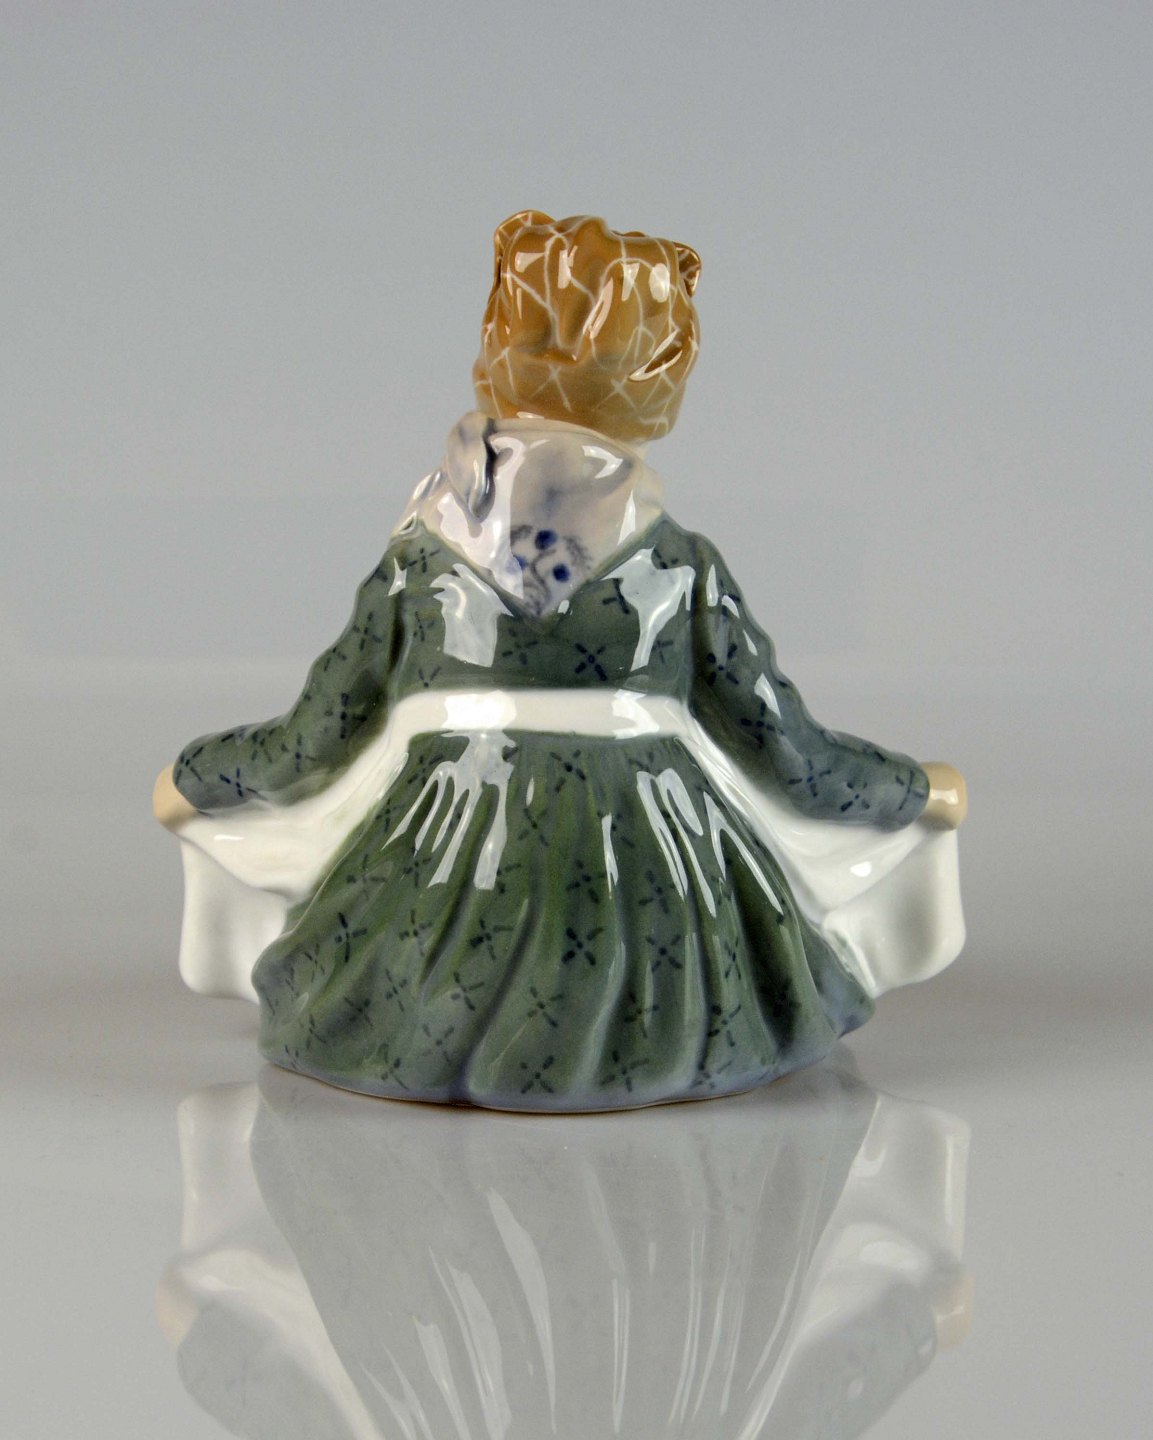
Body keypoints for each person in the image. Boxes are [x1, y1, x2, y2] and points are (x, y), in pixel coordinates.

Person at [154, 212, 965, 1110]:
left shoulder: (419, 563)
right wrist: (914, 791)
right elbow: (789, 755)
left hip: (443, 865)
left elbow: (314, 741)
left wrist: (197, 776)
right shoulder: (676, 568)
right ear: (661, 375)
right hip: (656, 880)